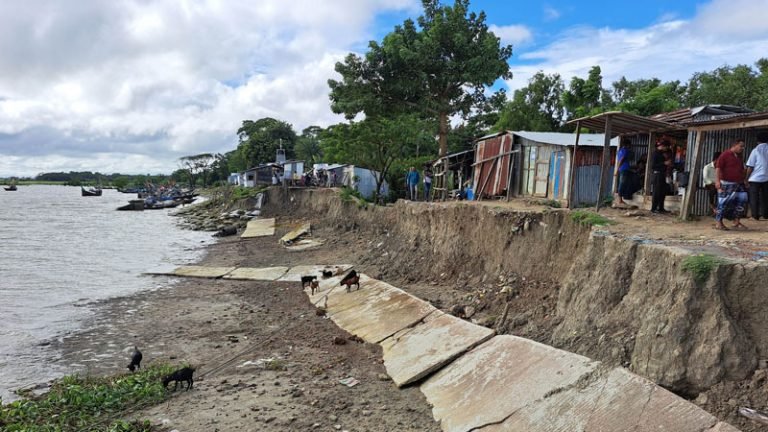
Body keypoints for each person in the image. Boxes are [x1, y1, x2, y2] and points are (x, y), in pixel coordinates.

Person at [714, 139, 748, 230]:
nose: (742, 148)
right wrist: (717, 181)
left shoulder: (739, 156)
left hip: (739, 183)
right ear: (735, 145)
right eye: (741, 146)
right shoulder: (725, 154)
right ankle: (718, 222)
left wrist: (744, 180)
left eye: (743, 146)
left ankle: (736, 221)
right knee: (723, 202)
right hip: (726, 183)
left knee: (742, 200)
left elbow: (742, 169)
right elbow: (718, 168)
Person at [746, 131, 768, 220]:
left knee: (754, 197)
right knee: (765, 197)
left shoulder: (755, 150)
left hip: (755, 178)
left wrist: (746, 178)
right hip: (767, 178)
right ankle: (765, 215)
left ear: (757, 140)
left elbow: (750, 166)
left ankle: (755, 216)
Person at [650, 140, 673, 213]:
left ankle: (661, 208)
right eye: (666, 147)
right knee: (656, 192)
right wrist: (664, 163)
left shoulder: (661, 153)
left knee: (662, 192)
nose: (666, 149)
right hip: (657, 174)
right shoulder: (655, 153)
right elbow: (653, 166)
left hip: (662, 174)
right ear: (663, 146)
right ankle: (653, 208)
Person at [616, 138, 633, 205]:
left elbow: (619, 160)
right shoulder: (626, 151)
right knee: (622, 184)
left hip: (621, 169)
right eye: (630, 145)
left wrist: (618, 168)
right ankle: (620, 200)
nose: (630, 146)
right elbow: (621, 160)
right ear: (627, 145)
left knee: (622, 183)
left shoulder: (620, 151)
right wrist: (617, 169)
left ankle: (620, 199)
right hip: (625, 169)